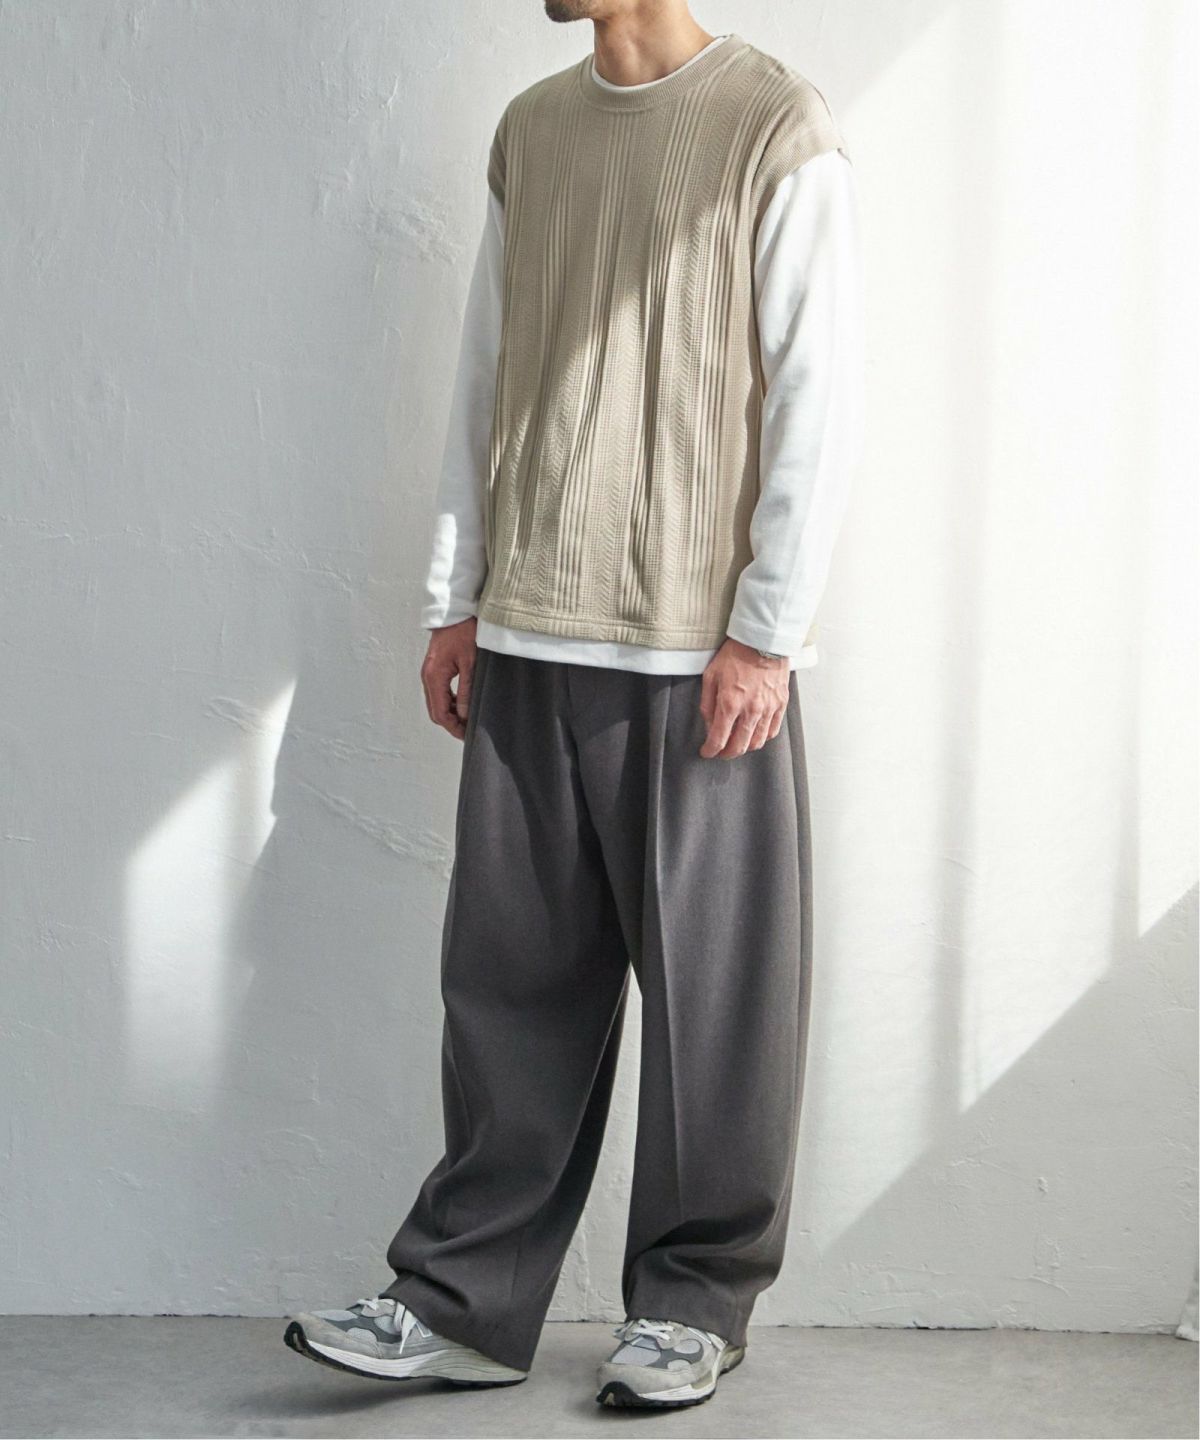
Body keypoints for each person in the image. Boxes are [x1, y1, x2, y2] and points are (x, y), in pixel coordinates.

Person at [285, 0, 863, 1411]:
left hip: (698, 654)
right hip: (532, 628)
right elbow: (487, 374)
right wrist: (456, 595)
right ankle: (463, 1305)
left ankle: (694, 1305)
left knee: (717, 1011)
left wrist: (766, 634)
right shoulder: (532, 132)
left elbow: (819, 393)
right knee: (506, 996)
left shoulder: (774, 126)